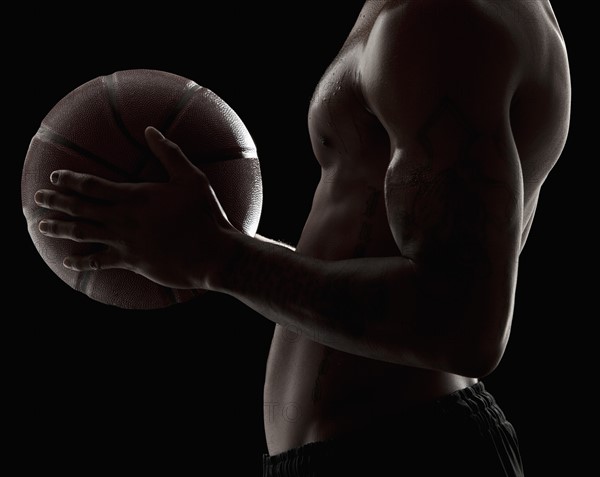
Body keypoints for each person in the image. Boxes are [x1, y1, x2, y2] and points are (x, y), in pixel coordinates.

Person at [32, 0, 570, 475]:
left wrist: (221, 258)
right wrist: (209, 247)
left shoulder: (442, 19)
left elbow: (464, 325)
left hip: (407, 451)